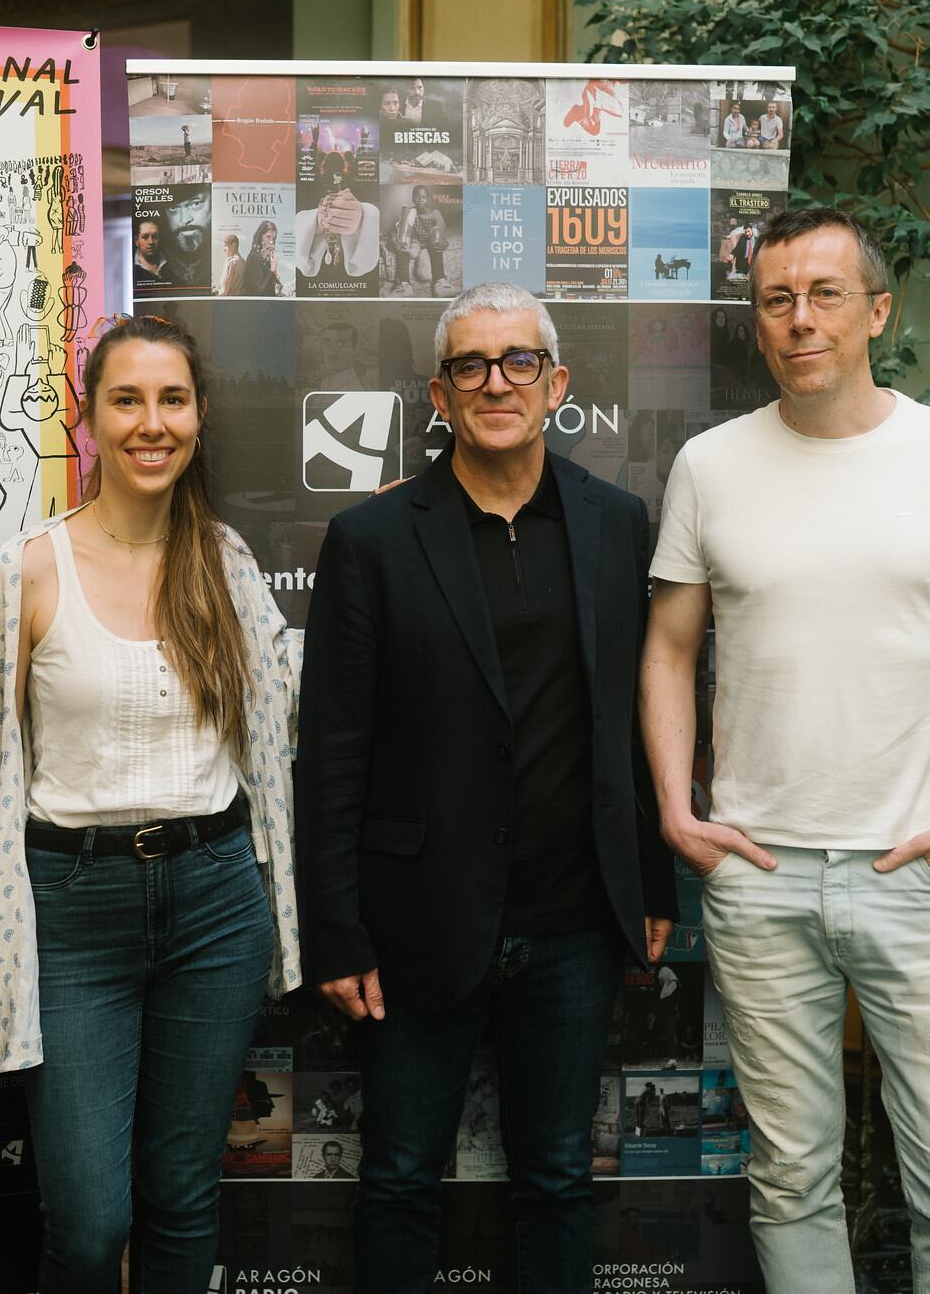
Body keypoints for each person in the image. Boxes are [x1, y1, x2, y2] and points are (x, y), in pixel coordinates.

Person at [639, 207, 930, 1293]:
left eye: (824, 294)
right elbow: (665, 651)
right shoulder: (709, 465)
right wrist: (673, 811)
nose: (799, 320)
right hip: (759, 877)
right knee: (788, 1179)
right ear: (757, 324)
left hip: (921, 878)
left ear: (876, 311)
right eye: (776, 299)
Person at [297, 281, 677, 1292]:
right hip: (414, 925)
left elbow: (641, 723)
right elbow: (331, 749)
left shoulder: (616, 525)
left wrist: (650, 883)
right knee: (396, 1180)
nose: (493, 382)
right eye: (469, 365)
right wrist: (333, 930)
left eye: (516, 362)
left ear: (555, 383)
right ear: (437, 392)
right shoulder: (370, 541)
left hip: (573, 925)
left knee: (555, 1176)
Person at [0, 314, 303, 1293]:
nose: (149, 422)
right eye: (126, 399)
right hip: (72, 909)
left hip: (215, 903)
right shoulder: (30, 567)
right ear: (89, 417)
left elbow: (284, 712)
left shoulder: (228, 563)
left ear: (199, 415)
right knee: (86, 1221)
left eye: (170, 399)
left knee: (179, 1197)